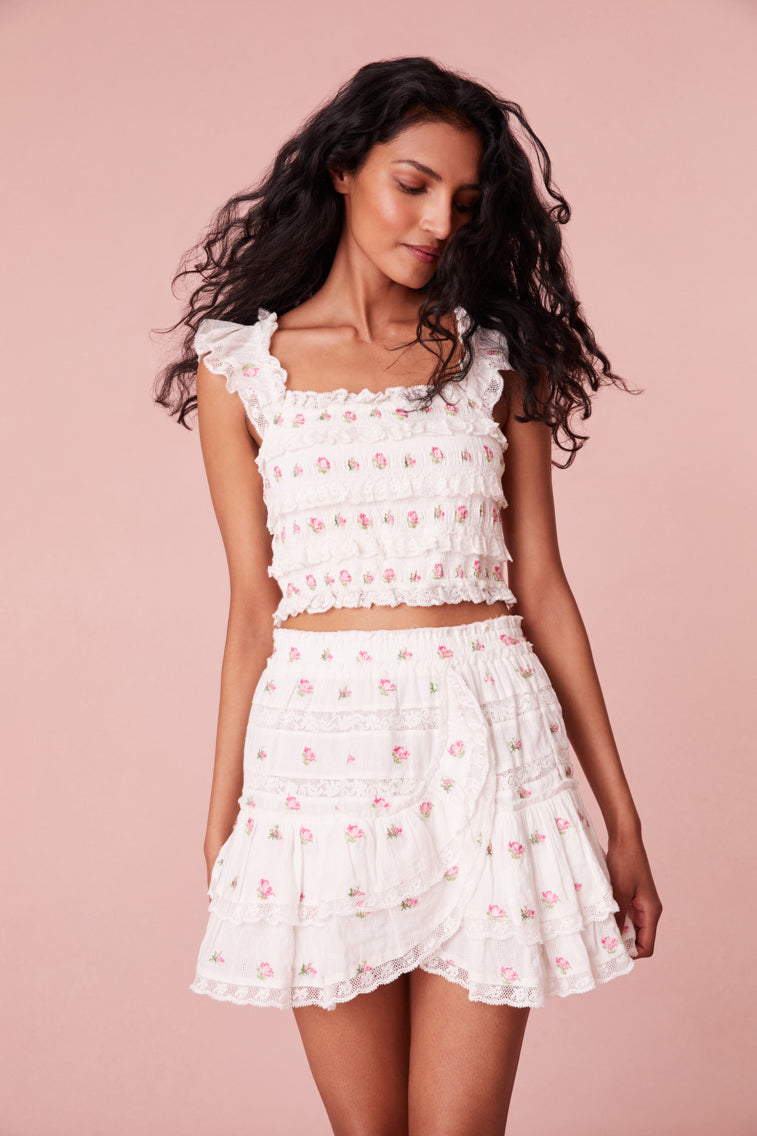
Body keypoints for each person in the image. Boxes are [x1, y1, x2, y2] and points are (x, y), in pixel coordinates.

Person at [154, 56, 662, 1136]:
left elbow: (543, 590)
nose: (438, 222)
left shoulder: (495, 361)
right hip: (318, 758)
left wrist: (620, 820)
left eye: (463, 204)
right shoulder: (243, 369)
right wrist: (223, 817)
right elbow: (252, 609)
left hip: (487, 741)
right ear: (342, 168)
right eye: (414, 184)